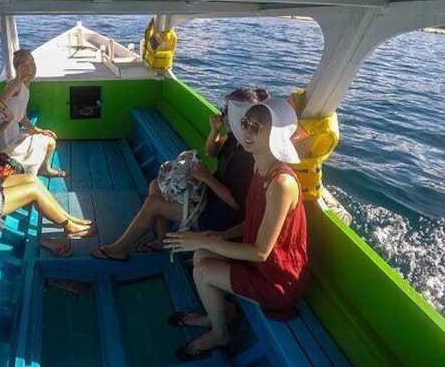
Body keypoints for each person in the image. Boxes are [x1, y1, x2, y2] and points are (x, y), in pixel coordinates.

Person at [163, 96, 308, 362]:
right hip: (259, 263)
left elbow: (262, 252)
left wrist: (198, 240)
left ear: (276, 135)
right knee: (201, 253)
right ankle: (214, 317)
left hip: (276, 280)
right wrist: (220, 236)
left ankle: (220, 333)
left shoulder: (281, 183)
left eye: (257, 127)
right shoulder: (259, 166)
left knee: (204, 267)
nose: (247, 132)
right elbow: (253, 220)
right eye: (246, 123)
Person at [89, 87, 268, 262]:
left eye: (230, 113)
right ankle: (162, 240)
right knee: (155, 185)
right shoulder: (234, 139)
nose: (225, 116)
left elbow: (236, 203)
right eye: (225, 110)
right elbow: (211, 152)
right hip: (210, 198)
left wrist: (206, 177)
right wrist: (215, 129)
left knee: (153, 203)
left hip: (219, 216)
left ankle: (119, 250)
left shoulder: (247, 156)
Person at [0, 64, 96, 247]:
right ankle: (69, 227)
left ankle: (67, 216)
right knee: (33, 191)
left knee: (31, 178)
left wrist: (7, 120)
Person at [0, 49, 66, 177]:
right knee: (50, 141)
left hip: (10, 133)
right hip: (3, 140)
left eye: (32, 62)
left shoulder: (25, 87)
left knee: (46, 137)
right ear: (17, 68)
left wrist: (37, 130)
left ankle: (42, 168)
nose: (30, 66)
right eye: (25, 64)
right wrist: (18, 80)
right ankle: (40, 170)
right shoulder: (15, 84)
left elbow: (22, 117)